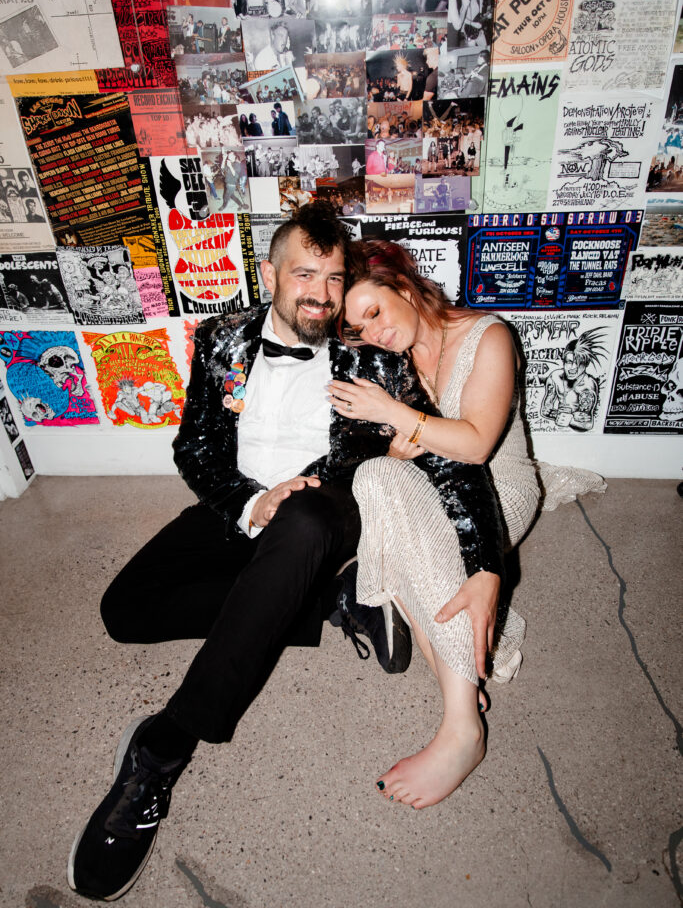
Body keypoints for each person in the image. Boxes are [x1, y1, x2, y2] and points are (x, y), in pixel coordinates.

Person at [69, 205, 439, 901]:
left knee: (300, 522)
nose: (321, 296)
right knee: (124, 612)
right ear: (268, 273)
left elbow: (427, 444)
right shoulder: (220, 337)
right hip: (239, 506)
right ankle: (322, 600)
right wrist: (247, 504)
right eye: (304, 274)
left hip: (321, 513)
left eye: (333, 278)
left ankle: (165, 745)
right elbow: (194, 446)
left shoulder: (374, 352)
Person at [327, 240, 539, 809]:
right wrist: (393, 446)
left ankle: (463, 729)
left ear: (403, 286)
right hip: (432, 485)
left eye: (374, 311)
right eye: (358, 328)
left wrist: (395, 415)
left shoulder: (488, 336)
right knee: (376, 481)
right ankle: (461, 652)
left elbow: (473, 447)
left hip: (499, 490)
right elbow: (397, 452)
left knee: (407, 539)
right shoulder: (391, 360)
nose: (372, 333)